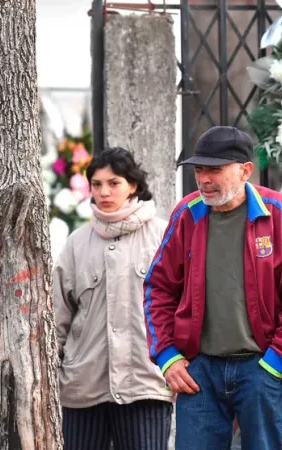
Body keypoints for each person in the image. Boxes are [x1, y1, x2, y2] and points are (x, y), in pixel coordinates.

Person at [143, 126, 282, 449]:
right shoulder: (187, 214)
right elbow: (158, 287)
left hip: (260, 367)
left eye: (215, 170)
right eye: (199, 170)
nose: (205, 179)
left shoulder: (276, 211)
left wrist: (277, 363)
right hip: (200, 371)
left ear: (245, 171)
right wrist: (168, 357)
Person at [53, 148, 173, 450]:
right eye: (96, 184)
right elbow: (57, 316)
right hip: (84, 385)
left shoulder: (162, 236)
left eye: (114, 183)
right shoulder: (76, 244)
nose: (104, 192)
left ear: (132, 185)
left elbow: (184, 307)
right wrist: (55, 372)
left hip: (146, 383)